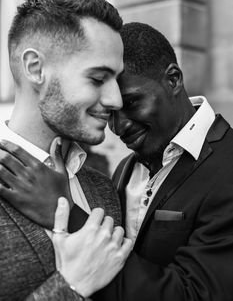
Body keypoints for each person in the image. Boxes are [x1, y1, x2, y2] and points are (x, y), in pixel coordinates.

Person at [2, 22, 233, 301]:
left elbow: (196, 294)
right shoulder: (124, 169)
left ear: (173, 80)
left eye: (131, 102)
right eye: (110, 111)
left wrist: (62, 210)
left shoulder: (226, 162)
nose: (118, 125)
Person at [0, 0, 132, 301]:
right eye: (98, 79)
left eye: (117, 80)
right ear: (36, 68)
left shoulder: (103, 187)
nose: (116, 100)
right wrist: (70, 287)